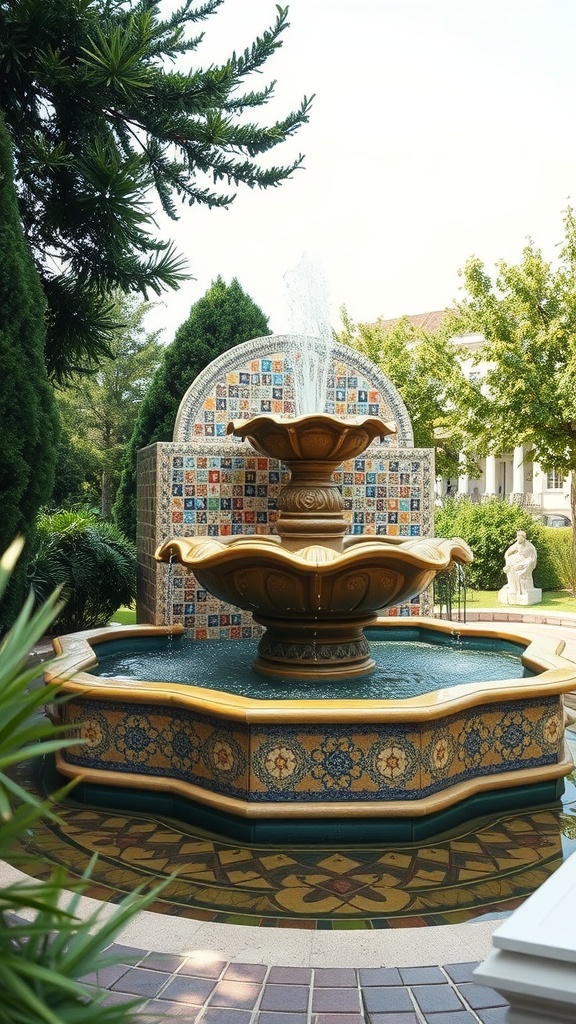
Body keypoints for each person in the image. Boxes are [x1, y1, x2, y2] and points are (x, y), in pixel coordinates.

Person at [503, 530, 537, 597]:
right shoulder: (517, 544)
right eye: (518, 539)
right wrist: (507, 560)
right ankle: (512, 585)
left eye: (520, 539)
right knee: (510, 563)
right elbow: (507, 553)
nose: (519, 540)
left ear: (524, 538)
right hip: (517, 559)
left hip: (527, 561)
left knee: (514, 566)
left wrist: (528, 563)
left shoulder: (530, 546)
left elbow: (533, 557)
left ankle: (514, 587)